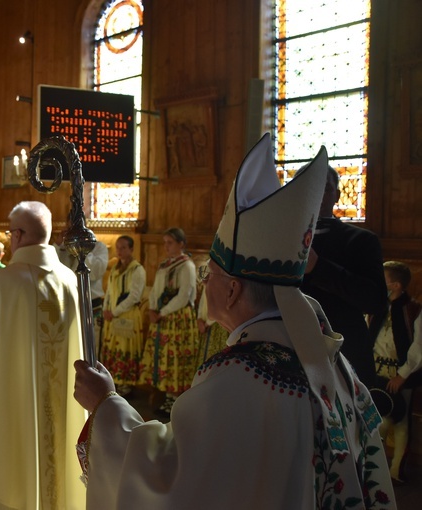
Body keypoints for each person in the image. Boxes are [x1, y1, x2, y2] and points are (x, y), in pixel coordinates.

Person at [73, 133, 396, 509]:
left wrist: (106, 405)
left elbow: (170, 480)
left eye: (210, 275)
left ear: (232, 292)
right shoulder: (331, 363)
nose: (204, 283)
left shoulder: (242, 376)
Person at [0, 201, 86, 510]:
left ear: (20, 234)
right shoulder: (70, 280)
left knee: (12, 464)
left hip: (13, 402)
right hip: (62, 398)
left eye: (10, 231)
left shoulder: (3, 283)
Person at [300, 165, 387, 385]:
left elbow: (375, 301)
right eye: (306, 187)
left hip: (345, 355)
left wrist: (319, 268)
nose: (315, 193)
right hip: (292, 353)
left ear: (337, 195)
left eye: (325, 188)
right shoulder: (278, 241)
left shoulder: (361, 240)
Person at [368, 260, 422, 482]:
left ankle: (396, 468)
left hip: (401, 373)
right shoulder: (377, 306)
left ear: (397, 285)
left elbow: (419, 345)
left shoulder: (414, 310)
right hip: (376, 368)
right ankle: (373, 465)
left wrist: (403, 374)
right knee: (376, 415)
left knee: (400, 419)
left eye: (385, 280)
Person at [138, 227, 199, 414]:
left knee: (176, 357)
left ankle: (175, 398)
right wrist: (152, 308)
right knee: (163, 356)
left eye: (170, 243)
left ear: (181, 244)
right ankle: (164, 394)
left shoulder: (187, 266)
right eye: (164, 243)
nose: (166, 246)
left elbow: (184, 295)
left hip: (177, 317)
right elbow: (156, 289)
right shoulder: (165, 265)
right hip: (162, 317)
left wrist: (162, 312)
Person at [99, 235, 146, 396]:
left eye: (123, 247)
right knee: (113, 348)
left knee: (126, 348)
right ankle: (116, 383)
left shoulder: (137, 269)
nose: (119, 251)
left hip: (128, 315)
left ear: (132, 249)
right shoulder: (115, 268)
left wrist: (114, 311)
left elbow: (135, 296)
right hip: (113, 315)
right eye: (118, 247)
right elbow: (110, 291)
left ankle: (126, 385)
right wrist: (106, 309)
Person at [55, 231, 108, 353]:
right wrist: (57, 246)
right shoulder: (63, 248)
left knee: (91, 349)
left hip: (91, 304)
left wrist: (82, 250)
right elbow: (56, 272)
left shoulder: (99, 247)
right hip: (68, 303)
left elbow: (96, 272)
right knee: (71, 348)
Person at [196, 284, 229, 362]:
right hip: (205, 323)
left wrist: (208, 323)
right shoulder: (209, 276)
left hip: (217, 324)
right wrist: (199, 317)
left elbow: (222, 305)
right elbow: (203, 298)